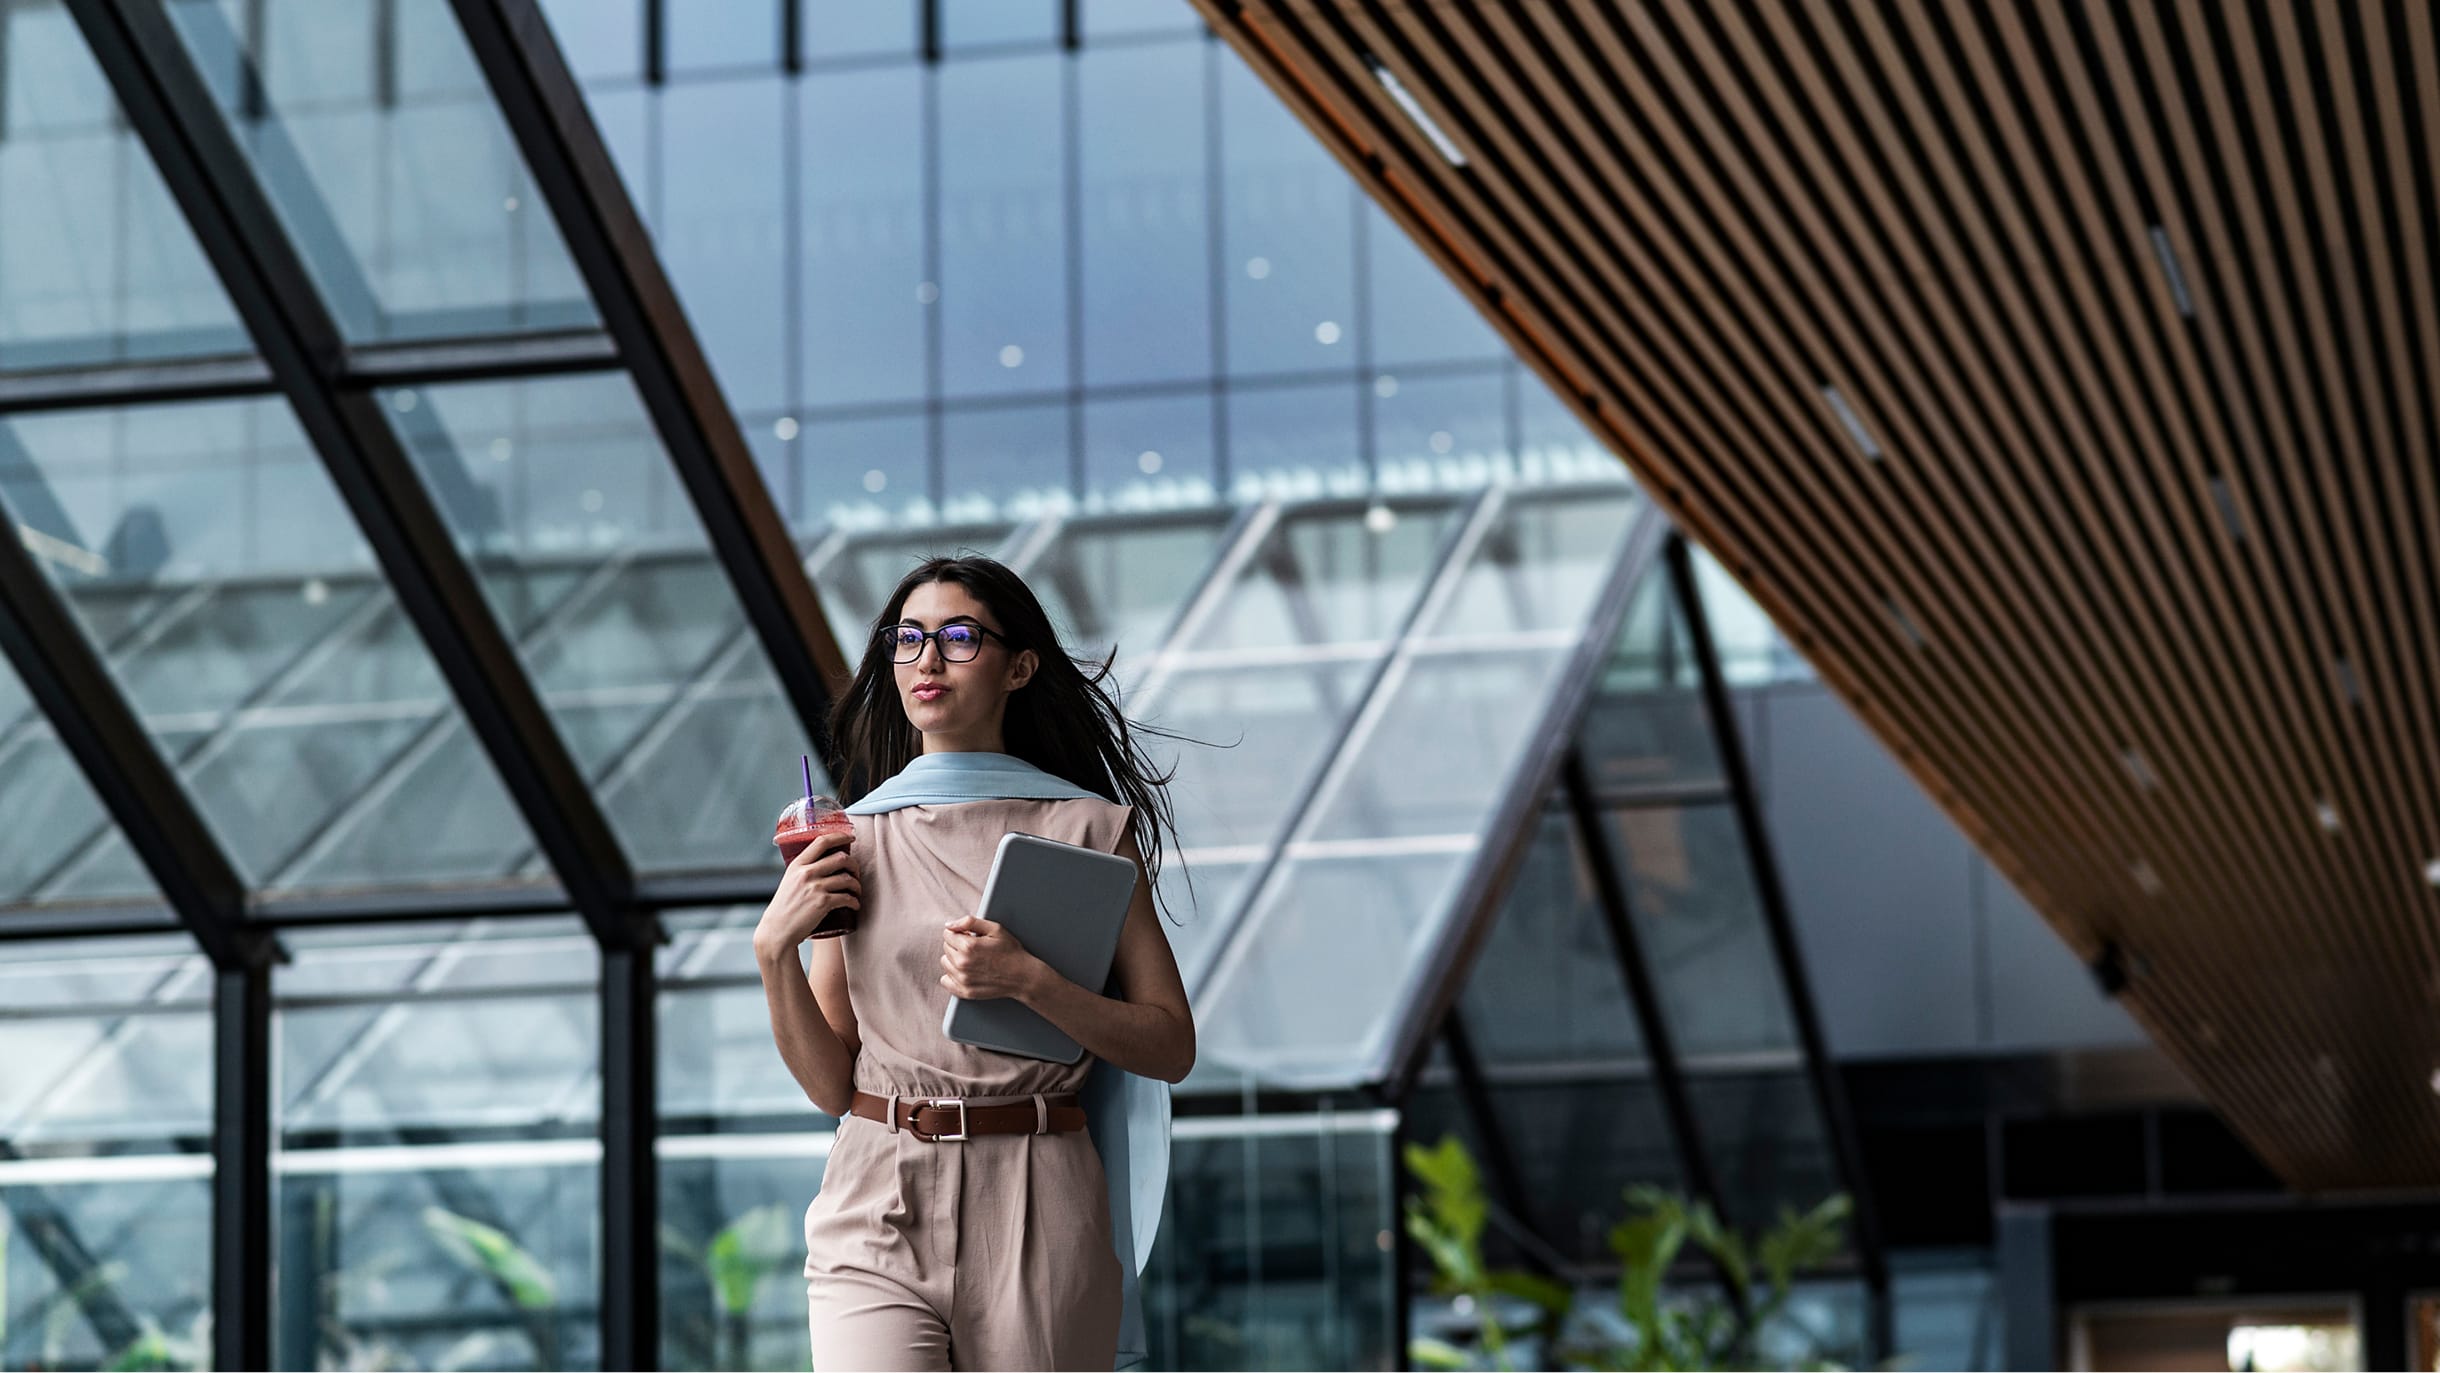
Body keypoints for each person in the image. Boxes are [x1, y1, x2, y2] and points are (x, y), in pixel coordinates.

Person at [754, 554, 1196, 1371]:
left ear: (1019, 666)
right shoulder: (850, 838)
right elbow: (828, 1085)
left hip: (1041, 1198)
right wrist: (773, 950)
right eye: (908, 638)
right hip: (876, 1194)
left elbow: (1171, 1044)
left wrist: (1031, 982)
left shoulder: (1091, 829)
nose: (928, 659)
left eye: (959, 637)